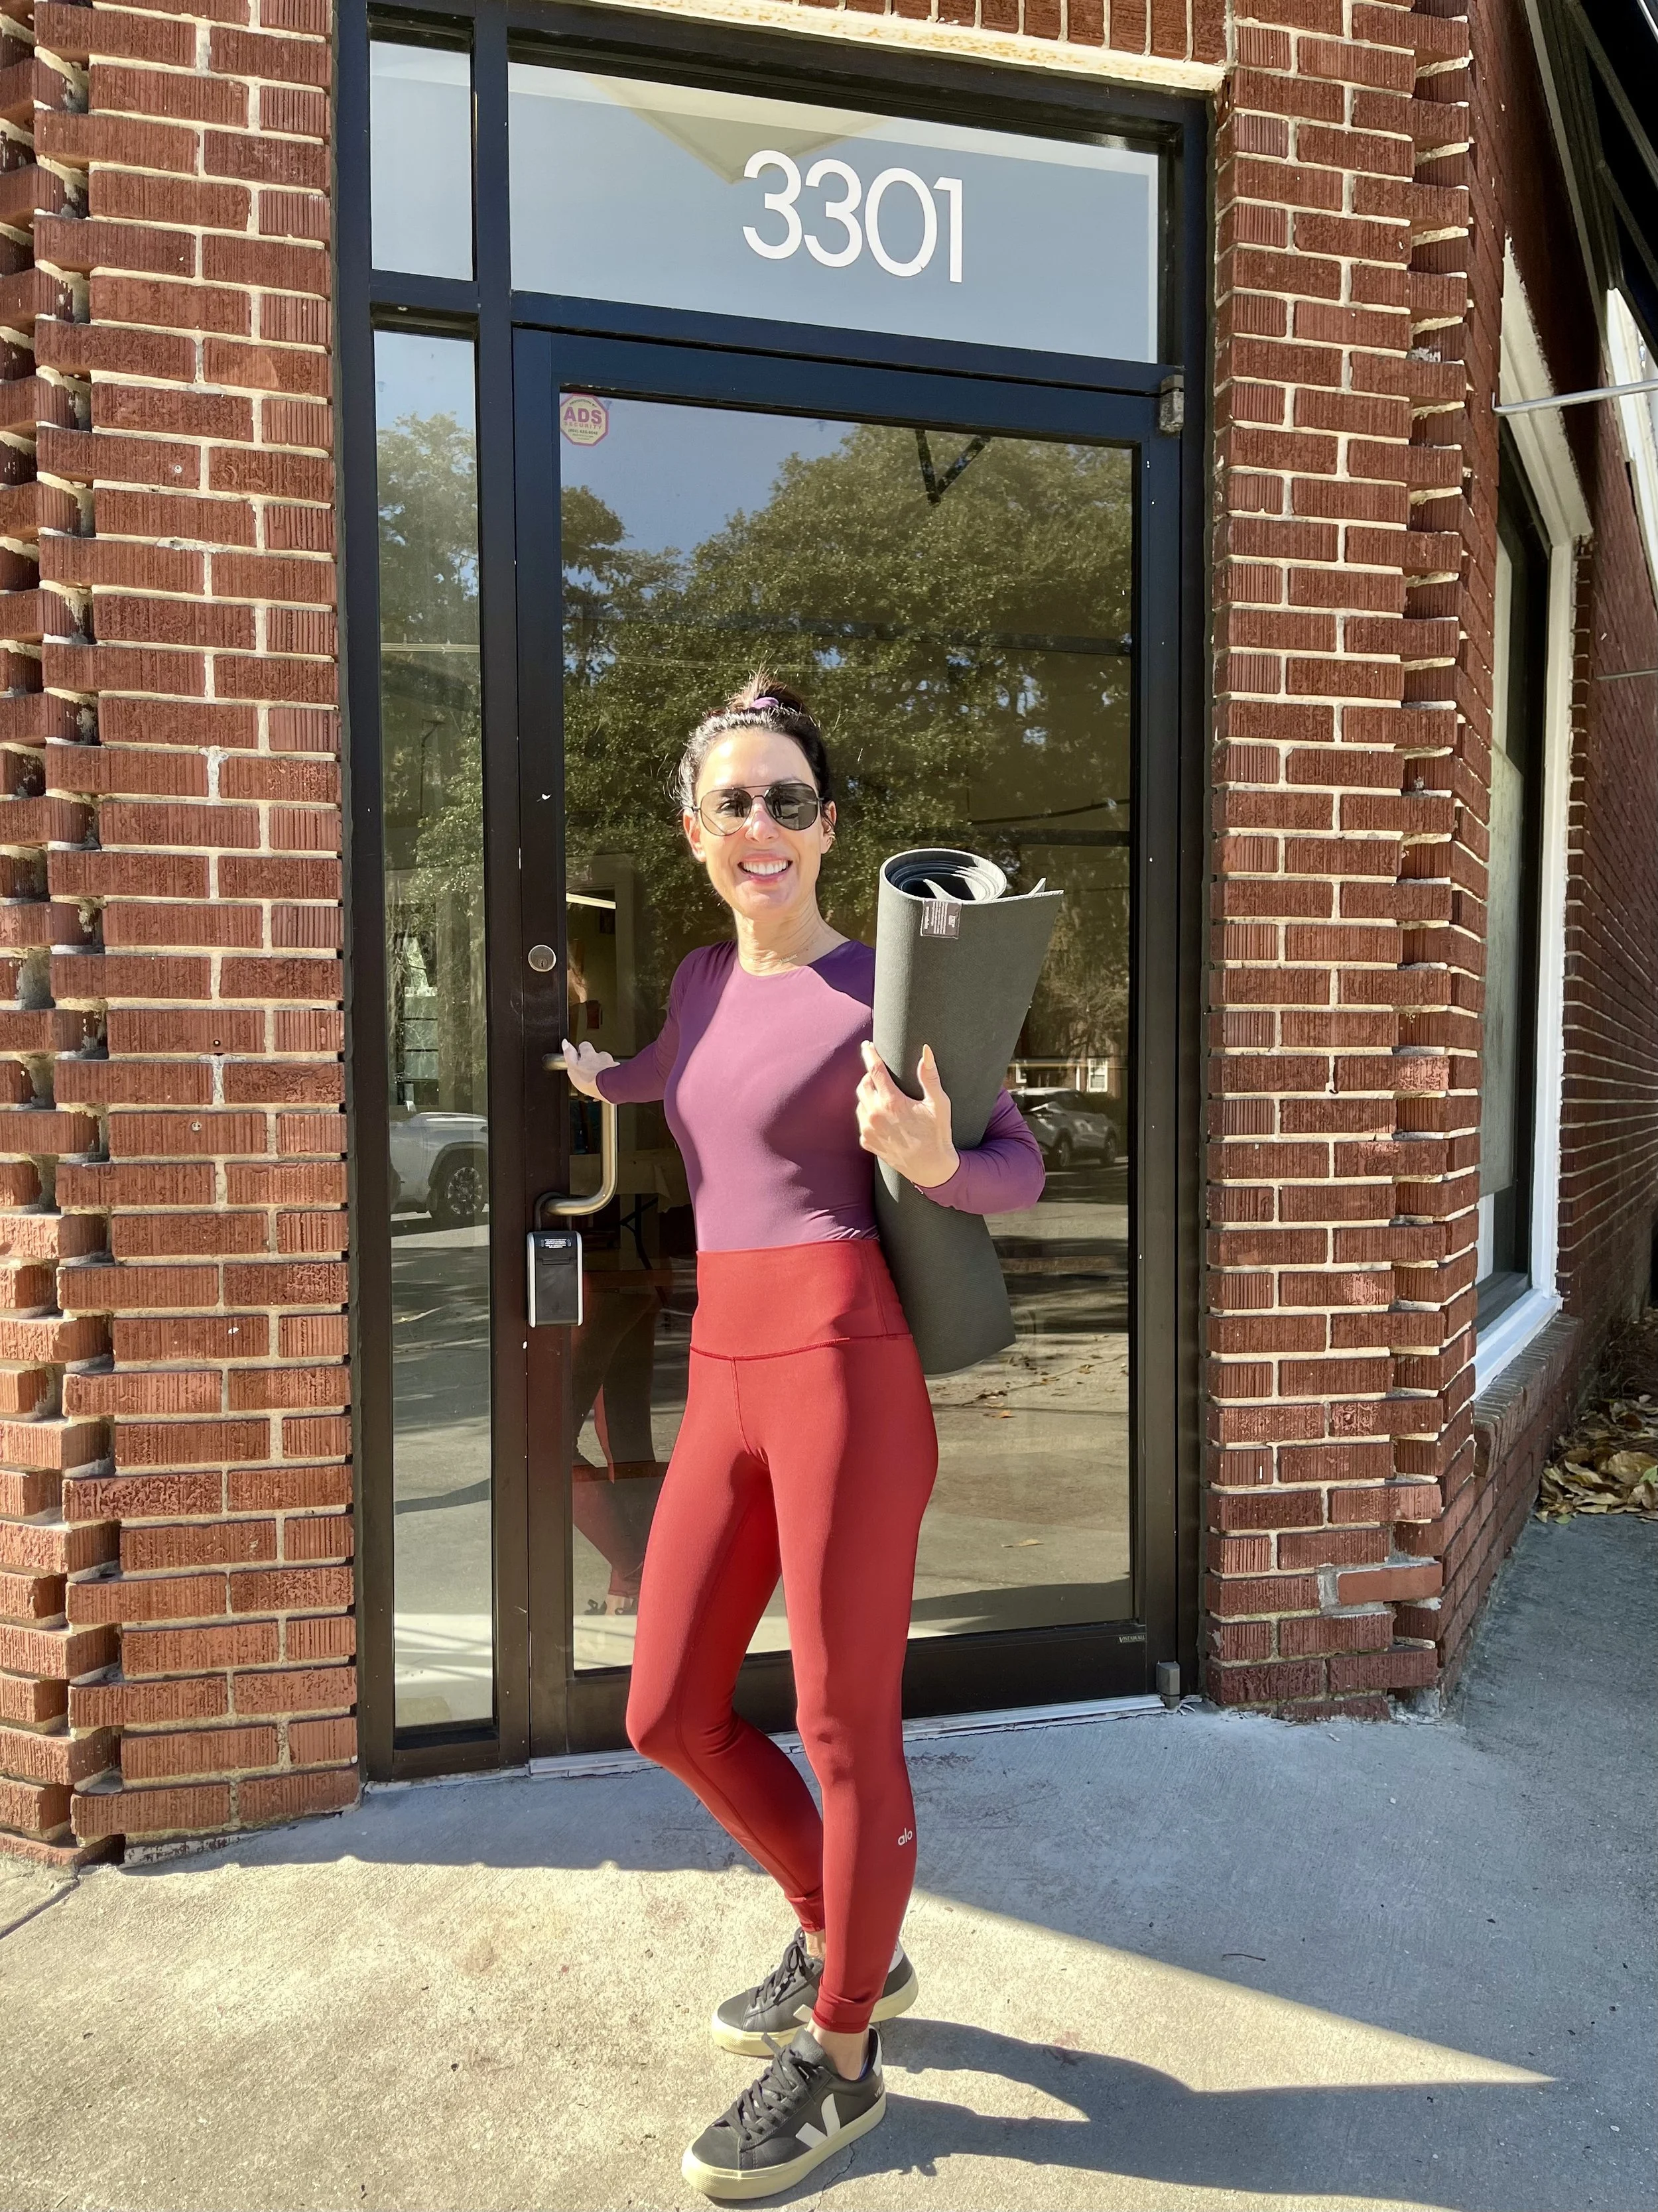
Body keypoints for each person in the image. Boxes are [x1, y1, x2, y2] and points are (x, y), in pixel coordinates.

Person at [563, 674, 1043, 2201]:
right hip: (723, 1371)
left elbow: (1015, 1169)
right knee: (664, 1710)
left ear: (827, 829)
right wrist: (599, 1077)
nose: (757, 826)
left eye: (786, 801)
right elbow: (675, 1079)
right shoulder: (704, 978)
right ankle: (842, 1934)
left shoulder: (885, 1003)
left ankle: (841, 2058)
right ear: (692, 826)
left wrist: (931, 1157)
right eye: (731, 802)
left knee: (840, 1728)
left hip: (846, 1375)